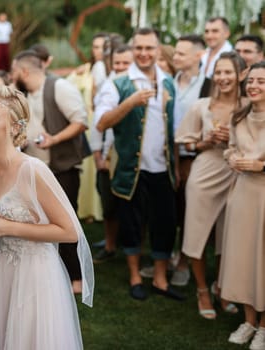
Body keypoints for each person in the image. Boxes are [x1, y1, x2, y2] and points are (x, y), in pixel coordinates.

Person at [0, 85, 93, 350]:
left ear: (16, 128)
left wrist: (6, 226)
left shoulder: (33, 171)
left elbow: (70, 232)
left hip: (32, 275)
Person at [96, 28, 182, 301]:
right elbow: (101, 122)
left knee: (164, 224)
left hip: (163, 168)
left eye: (149, 48)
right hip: (130, 170)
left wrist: (176, 167)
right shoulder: (118, 84)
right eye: (139, 48)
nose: (144, 53)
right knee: (131, 224)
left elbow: (173, 130)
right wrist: (129, 103)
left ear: (158, 50)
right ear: (133, 50)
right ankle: (135, 276)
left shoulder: (169, 82)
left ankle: (159, 278)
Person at [176, 51, 247, 319]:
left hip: (238, 175)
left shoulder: (251, 105)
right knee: (196, 233)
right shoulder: (201, 106)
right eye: (218, 72)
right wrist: (204, 141)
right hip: (205, 172)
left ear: (241, 74)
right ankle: (203, 290)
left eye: (228, 72)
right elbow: (183, 140)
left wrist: (236, 137)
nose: (222, 77)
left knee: (229, 236)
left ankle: (222, 287)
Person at [11, 50, 89, 294]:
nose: (12, 77)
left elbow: (81, 122)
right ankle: (47, 276)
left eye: (14, 72)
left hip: (61, 168)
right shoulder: (22, 94)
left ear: (24, 71)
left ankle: (76, 279)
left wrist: (54, 140)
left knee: (65, 223)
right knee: (37, 223)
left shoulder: (60, 87)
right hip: (32, 169)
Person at [220, 61, 265, 349]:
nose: (254, 86)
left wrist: (262, 165)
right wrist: (232, 158)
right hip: (243, 195)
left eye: (261, 81)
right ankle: (249, 320)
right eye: (250, 81)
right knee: (245, 259)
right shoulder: (238, 117)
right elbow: (231, 149)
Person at [167, 34, 209, 287]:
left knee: (188, 211)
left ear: (199, 55)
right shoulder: (169, 82)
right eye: (176, 53)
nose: (176, 57)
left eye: (182, 53)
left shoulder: (209, 86)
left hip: (195, 157)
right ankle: (170, 255)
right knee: (170, 209)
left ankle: (184, 261)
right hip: (168, 156)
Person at [90, 44, 133, 263]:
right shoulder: (109, 85)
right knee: (108, 203)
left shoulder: (137, 85)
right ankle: (109, 244)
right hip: (107, 154)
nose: (121, 67)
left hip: (129, 154)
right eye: (117, 63)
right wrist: (98, 156)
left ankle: (129, 245)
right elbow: (98, 125)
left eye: (126, 63)